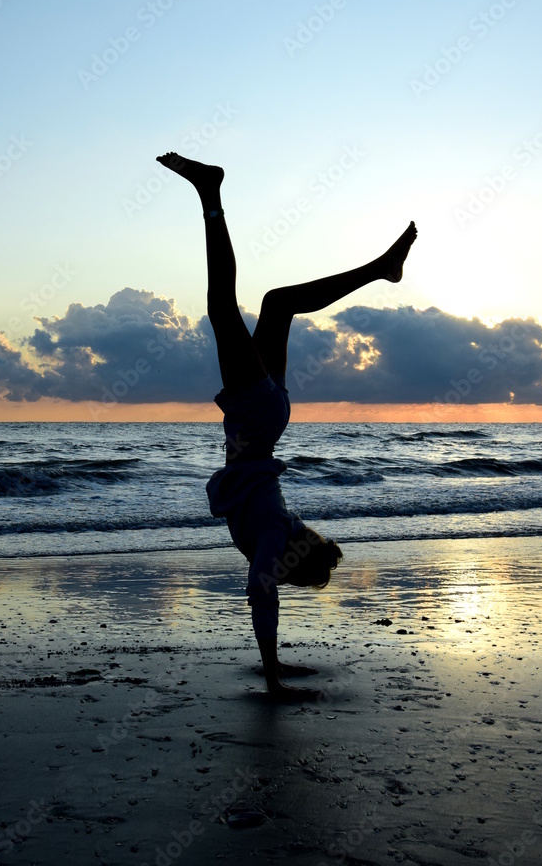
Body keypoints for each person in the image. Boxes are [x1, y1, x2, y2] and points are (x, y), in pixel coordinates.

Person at [156, 151, 417, 702]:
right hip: (256, 414)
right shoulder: (274, 535)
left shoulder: (281, 527)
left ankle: (379, 269)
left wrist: (277, 660)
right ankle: (210, 193)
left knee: (277, 304)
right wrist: (272, 673)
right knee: (222, 309)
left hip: (272, 417)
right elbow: (261, 595)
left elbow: (268, 581)